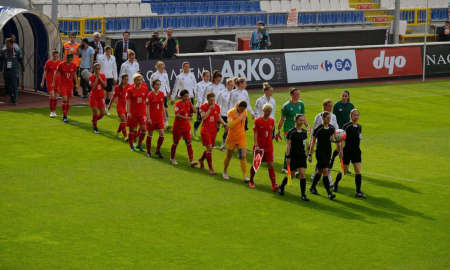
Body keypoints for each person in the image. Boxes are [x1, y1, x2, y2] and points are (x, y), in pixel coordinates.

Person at [333, 109, 365, 198]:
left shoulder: (359, 127)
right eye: (354, 115)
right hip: (347, 151)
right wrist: (341, 151)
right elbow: (342, 139)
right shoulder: (346, 126)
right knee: (344, 171)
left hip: (356, 152)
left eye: (358, 115)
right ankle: (335, 183)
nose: (356, 117)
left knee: (358, 171)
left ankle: (358, 192)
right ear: (350, 116)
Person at [277, 88, 309, 173]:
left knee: (298, 147)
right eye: (296, 94)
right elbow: (282, 119)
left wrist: (307, 126)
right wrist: (278, 130)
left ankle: (296, 167)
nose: (298, 96)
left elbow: (303, 116)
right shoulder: (286, 106)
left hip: (298, 130)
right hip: (288, 130)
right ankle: (286, 167)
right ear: (291, 95)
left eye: (299, 94)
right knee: (290, 147)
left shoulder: (301, 104)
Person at [308, 111, 339, 200]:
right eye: (327, 118)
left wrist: (338, 142)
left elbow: (333, 139)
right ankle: (329, 193)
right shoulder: (318, 129)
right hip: (320, 152)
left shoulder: (332, 128)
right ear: (323, 118)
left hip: (328, 152)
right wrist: (310, 154)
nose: (329, 120)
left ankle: (312, 187)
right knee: (325, 170)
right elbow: (313, 142)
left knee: (320, 171)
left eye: (330, 118)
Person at [278, 114, 309, 201]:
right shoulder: (291, 132)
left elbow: (305, 143)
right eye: (300, 120)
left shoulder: (304, 132)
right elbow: (288, 145)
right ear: (296, 120)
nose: (302, 122)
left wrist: (308, 151)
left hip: (302, 156)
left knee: (302, 174)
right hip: (293, 156)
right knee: (291, 175)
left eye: (303, 120)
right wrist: (287, 156)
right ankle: (281, 186)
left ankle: (303, 195)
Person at [248, 103, 278, 191]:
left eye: (270, 111)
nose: (268, 112)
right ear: (263, 111)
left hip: (269, 146)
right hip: (259, 146)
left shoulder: (272, 121)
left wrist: (275, 136)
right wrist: (256, 145)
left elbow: (271, 132)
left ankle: (274, 185)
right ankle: (251, 181)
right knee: (256, 164)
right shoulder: (257, 121)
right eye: (267, 111)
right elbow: (255, 133)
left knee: (271, 165)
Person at [198, 92, 227, 175]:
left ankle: (201, 160)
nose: (212, 102)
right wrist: (210, 109)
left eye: (214, 100)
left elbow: (218, 117)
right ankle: (211, 169)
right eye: (211, 100)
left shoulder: (217, 107)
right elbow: (203, 117)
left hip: (213, 131)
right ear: (207, 100)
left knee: (209, 149)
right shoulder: (203, 107)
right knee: (210, 148)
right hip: (205, 130)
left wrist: (224, 123)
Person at [310, 99, 339, 184]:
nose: (331, 108)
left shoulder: (333, 116)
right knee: (323, 161)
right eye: (329, 106)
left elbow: (336, 128)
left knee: (325, 161)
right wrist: (311, 141)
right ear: (324, 106)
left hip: (329, 142)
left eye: (331, 106)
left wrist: (338, 138)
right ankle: (327, 179)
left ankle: (315, 176)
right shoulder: (318, 116)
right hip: (320, 142)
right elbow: (314, 129)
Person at [170, 90, 198, 167]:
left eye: (188, 96)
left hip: (186, 127)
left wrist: (191, 103)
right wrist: (186, 117)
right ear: (181, 96)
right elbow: (177, 115)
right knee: (175, 143)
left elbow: (195, 111)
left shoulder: (188, 103)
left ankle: (191, 161)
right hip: (178, 127)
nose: (187, 98)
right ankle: (172, 158)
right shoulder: (178, 104)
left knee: (189, 143)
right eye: (185, 96)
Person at [223, 101, 249, 182]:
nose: (242, 111)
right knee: (229, 156)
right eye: (241, 109)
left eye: (243, 109)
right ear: (238, 107)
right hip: (232, 138)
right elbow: (230, 125)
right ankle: (224, 171)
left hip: (241, 137)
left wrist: (240, 117)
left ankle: (245, 176)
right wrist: (240, 118)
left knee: (243, 156)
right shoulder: (231, 112)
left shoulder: (245, 111)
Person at [331, 90, 354, 169]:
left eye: (345, 96)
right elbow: (333, 118)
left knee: (345, 149)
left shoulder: (351, 106)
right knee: (339, 148)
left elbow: (352, 118)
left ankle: (344, 167)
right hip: (338, 131)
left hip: (347, 130)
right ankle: (333, 160)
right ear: (341, 96)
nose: (344, 97)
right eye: (343, 96)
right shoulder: (337, 105)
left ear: (348, 97)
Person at [126, 73, 148, 152]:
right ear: (134, 81)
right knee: (132, 130)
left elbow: (146, 101)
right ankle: (131, 145)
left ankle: (139, 144)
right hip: (133, 112)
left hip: (142, 112)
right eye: (138, 80)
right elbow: (128, 101)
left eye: (141, 80)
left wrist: (146, 112)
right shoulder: (130, 90)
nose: (140, 81)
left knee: (144, 129)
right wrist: (128, 112)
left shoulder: (144, 89)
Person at [145, 79, 166, 158]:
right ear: (153, 85)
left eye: (159, 84)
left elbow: (162, 105)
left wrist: (164, 115)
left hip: (159, 118)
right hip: (152, 118)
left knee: (162, 134)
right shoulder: (150, 95)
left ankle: (157, 150)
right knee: (150, 134)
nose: (158, 86)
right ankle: (148, 152)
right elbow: (147, 107)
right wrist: (148, 118)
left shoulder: (161, 94)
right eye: (157, 84)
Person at [54, 54, 77, 123]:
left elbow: (74, 75)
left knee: (68, 101)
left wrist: (76, 84)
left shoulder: (74, 65)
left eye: (71, 58)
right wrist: (54, 82)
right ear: (66, 58)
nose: (70, 59)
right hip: (63, 85)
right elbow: (56, 73)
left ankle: (65, 113)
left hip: (70, 85)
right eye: (69, 58)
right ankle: (64, 116)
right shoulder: (61, 65)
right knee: (65, 99)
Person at [0, 38, 24, 105]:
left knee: (14, 86)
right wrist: (0, 69)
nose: (6, 45)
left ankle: (15, 100)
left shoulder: (17, 51)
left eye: (7, 43)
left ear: (11, 44)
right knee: (7, 86)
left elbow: (20, 60)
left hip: (14, 71)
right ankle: (12, 96)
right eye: (5, 43)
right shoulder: (3, 51)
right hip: (6, 71)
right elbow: (1, 61)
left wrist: (23, 68)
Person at [150, 61, 171, 128]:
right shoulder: (154, 75)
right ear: (157, 67)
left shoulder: (165, 75)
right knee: (156, 109)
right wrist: (154, 93)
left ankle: (166, 124)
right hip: (156, 95)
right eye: (160, 66)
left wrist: (168, 91)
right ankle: (154, 123)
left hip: (163, 94)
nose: (162, 67)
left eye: (163, 66)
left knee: (165, 109)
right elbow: (151, 85)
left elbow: (167, 84)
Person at [41, 50, 62, 117]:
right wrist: (42, 81)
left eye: (57, 56)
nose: (55, 57)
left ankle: (54, 111)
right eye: (54, 56)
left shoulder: (60, 62)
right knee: (52, 95)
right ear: (52, 55)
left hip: (57, 82)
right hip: (49, 81)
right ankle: (51, 111)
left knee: (56, 97)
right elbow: (45, 72)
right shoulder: (48, 62)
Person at [109, 74, 129, 139]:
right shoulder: (117, 87)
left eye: (127, 79)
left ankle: (118, 132)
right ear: (122, 80)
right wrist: (110, 105)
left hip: (126, 106)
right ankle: (125, 136)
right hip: (120, 106)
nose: (126, 81)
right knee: (124, 119)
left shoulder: (130, 87)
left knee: (123, 121)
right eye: (125, 79)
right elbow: (114, 97)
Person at [216, 78, 234, 151]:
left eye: (232, 85)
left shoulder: (234, 93)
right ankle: (216, 143)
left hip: (230, 115)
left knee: (228, 130)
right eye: (230, 85)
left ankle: (224, 145)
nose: (231, 87)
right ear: (227, 85)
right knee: (219, 129)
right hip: (222, 114)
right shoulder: (222, 93)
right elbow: (218, 103)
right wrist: (218, 113)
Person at [97, 46, 118, 111]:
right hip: (102, 77)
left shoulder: (113, 58)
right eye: (107, 51)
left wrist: (115, 78)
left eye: (110, 51)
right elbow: (98, 68)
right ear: (105, 51)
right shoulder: (100, 57)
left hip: (110, 77)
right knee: (102, 93)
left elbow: (114, 68)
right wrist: (98, 76)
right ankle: (101, 107)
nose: (109, 53)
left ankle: (106, 107)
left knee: (109, 94)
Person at [88, 63, 107, 134]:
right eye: (96, 69)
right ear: (94, 69)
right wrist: (96, 78)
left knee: (103, 113)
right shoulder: (91, 77)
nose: (98, 70)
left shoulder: (103, 75)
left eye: (99, 69)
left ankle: (94, 120)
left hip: (100, 97)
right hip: (93, 97)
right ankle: (95, 127)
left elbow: (105, 85)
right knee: (95, 111)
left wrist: (100, 78)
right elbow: (92, 87)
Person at [193, 70, 211, 136]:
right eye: (207, 76)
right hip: (200, 105)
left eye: (209, 76)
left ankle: (206, 133)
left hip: (209, 106)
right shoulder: (198, 85)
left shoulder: (211, 85)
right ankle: (195, 129)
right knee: (199, 120)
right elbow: (197, 95)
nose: (208, 77)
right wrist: (202, 104)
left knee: (208, 120)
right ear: (203, 76)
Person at [62, 32, 80, 96]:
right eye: (71, 37)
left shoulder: (78, 45)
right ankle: (65, 90)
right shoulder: (65, 45)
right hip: (67, 64)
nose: (72, 38)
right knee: (66, 78)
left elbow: (79, 54)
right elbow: (63, 54)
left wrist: (75, 52)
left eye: (73, 37)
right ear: (69, 37)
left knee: (75, 78)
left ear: (75, 37)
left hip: (75, 64)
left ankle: (75, 91)